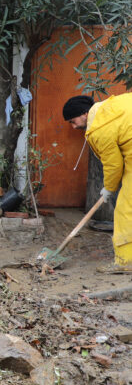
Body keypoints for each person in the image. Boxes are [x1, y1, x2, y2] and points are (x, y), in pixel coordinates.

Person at [62, 93, 132, 273]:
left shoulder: (99, 128)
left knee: (126, 209)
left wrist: (108, 188)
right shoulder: (113, 105)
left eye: (72, 121)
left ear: (84, 114)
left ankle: (125, 262)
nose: (73, 126)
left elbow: (114, 164)